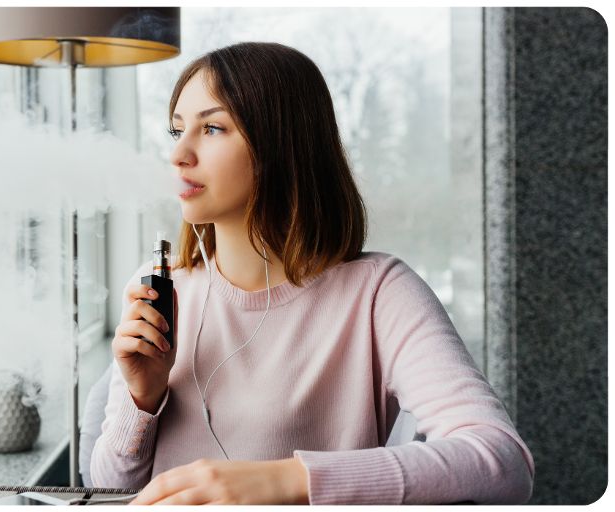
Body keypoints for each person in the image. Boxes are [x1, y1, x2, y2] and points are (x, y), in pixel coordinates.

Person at [88, 42, 535, 505]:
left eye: (213, 128)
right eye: (177, 130)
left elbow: (500, 461)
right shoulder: (160, 286)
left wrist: (282, 481)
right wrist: (142, 397)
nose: (178, 155)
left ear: (283, 144)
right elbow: (109, 491)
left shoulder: (378, 292)